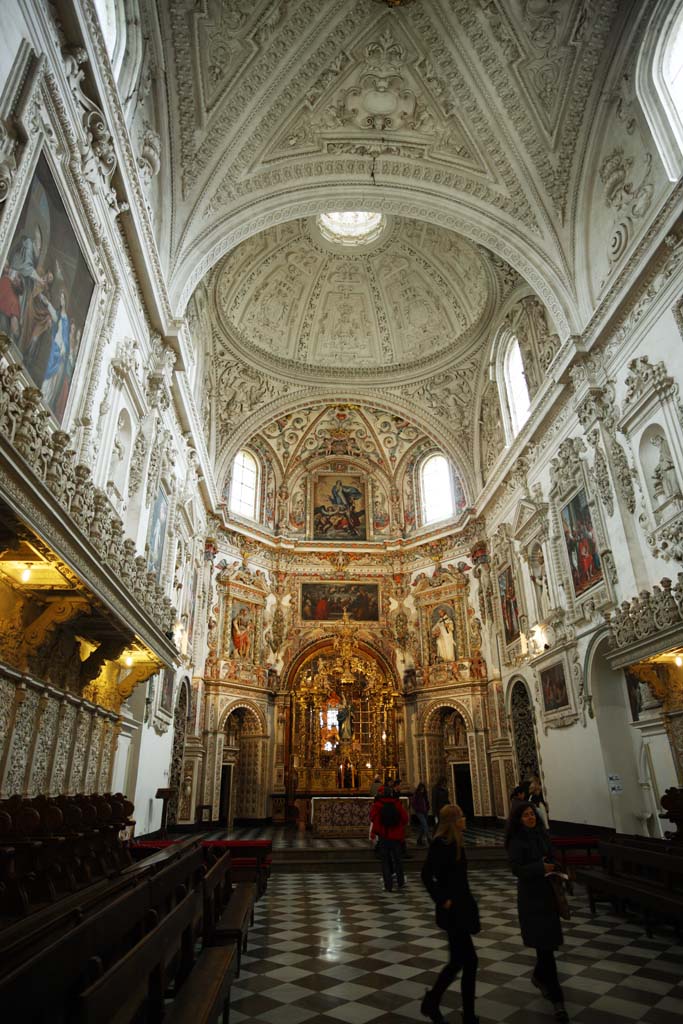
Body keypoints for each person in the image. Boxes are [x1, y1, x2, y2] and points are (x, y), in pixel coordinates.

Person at [506, 802, 568, 1023]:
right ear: (518, 819)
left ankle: (541, 977)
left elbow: (552, 857)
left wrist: (557, 868)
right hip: (532, 898)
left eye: (532, 814)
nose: (531, 817)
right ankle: (557, 1001)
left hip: (548, 896)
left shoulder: (542, 835)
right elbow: (516, 868)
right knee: (545, 947)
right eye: (526, 815)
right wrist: (540, 868)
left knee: (548, 945)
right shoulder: (517, 840)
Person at [420, 804, 480, 1024]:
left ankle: (433, 1001)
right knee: (468, 961)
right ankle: (467, 1014)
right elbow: (426, 875)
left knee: (459, 962)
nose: (465, 820)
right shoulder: (441, 844)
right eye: (462, 816)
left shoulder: (456, 844)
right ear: (454, 821)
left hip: (461, 908)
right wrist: (443, 899)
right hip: (453, 911)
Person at [370, 781, 409, 892]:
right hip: (396, 837)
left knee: (385, 862)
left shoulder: (377, 805)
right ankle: (400, 882)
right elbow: (405, 819)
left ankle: (388, 885)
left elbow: (372, 818)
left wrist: (376, 832)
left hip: (384, 836)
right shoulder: (397, 804)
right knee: (398, 860)